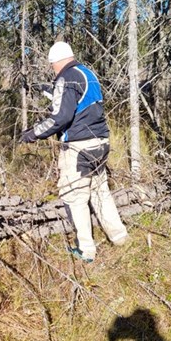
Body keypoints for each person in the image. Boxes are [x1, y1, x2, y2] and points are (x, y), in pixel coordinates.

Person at [19, 41, 128, 262]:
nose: (53, 70)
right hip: (101, 142)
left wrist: (32, 134)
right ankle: (119, 237)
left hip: (79, 147)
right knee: (99, 191)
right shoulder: (86, 73)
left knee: (74, 196)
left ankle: (86, 250)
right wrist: (46, 89)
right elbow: (76, 101)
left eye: (52, 66)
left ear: (56, 62)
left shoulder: (66, 78)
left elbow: (61, 117)